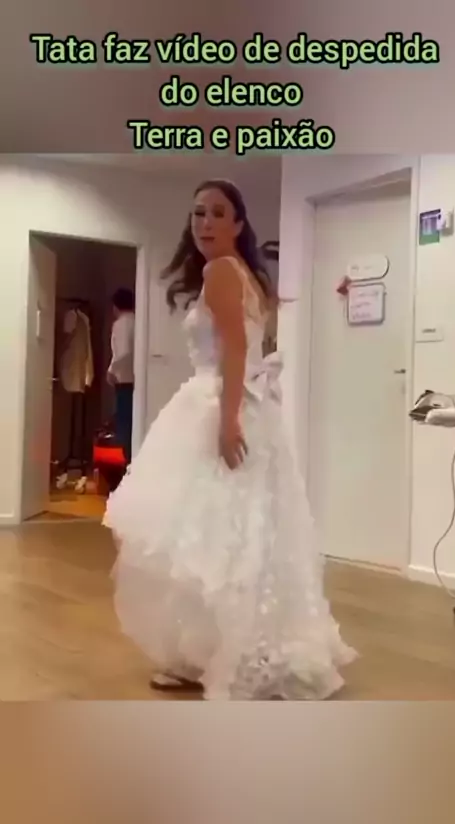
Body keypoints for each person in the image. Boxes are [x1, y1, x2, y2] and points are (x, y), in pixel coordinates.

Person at [103, 179, 356, 700]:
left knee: (204, 533)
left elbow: (237, 349)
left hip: (220, 402)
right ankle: (227, 647)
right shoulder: (246, 274)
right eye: (199, 213)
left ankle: (218, 652)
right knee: (241, 531)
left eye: (218, 213)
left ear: (238, 223)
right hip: (246, 408)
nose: (205, 223)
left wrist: (228, 419)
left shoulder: (221, 271)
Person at [107, 288, 135, 466]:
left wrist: (111, 370)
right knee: (132, 422)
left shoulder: (121, 324)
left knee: (124, 423)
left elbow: (123, 351)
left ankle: (126, 465)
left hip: (123, 379)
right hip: (135, 378)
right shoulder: (137, 321)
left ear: (116, 306)